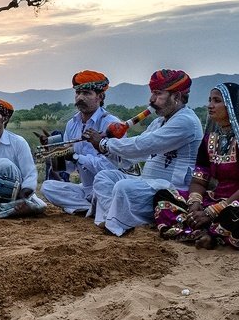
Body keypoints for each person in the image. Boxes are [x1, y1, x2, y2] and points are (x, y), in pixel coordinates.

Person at [154, 83, 239, 249]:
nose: (210, 105)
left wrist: (213, 211)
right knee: (164, 196)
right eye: (210, 100)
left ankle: (208, 234)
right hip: (213, 198)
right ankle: (204, 232)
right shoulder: (209, 139)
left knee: (236, 216)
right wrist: (195, 204)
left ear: (232, 106)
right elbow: (199, 180)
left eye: (217, 101)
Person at [82, 69, 203, 236]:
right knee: (104, 177)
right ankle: (113, 217)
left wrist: (105, 144)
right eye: (152, 93)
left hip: (171, 191)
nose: (151, 100)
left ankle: (116, 219)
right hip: (148, 185)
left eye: (158, 94)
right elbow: (135, 156)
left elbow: (143, 145)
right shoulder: (159, 122)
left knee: (123, 187)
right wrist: (104, 149)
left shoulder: (186, 121)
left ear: (176, 96)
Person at [39, 71, 121, 215]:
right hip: (87, 189)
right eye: (78, 93)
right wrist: (54, 154)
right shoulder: (72, 124)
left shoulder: (112, 125)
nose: (80, 97)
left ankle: (90, 208)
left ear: (100, 96)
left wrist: (76, 157)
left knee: (103, 190)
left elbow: (109, 168)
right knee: (47, 187)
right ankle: (91, 209)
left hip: (108, 188)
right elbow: (69, 168)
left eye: (87, 93)